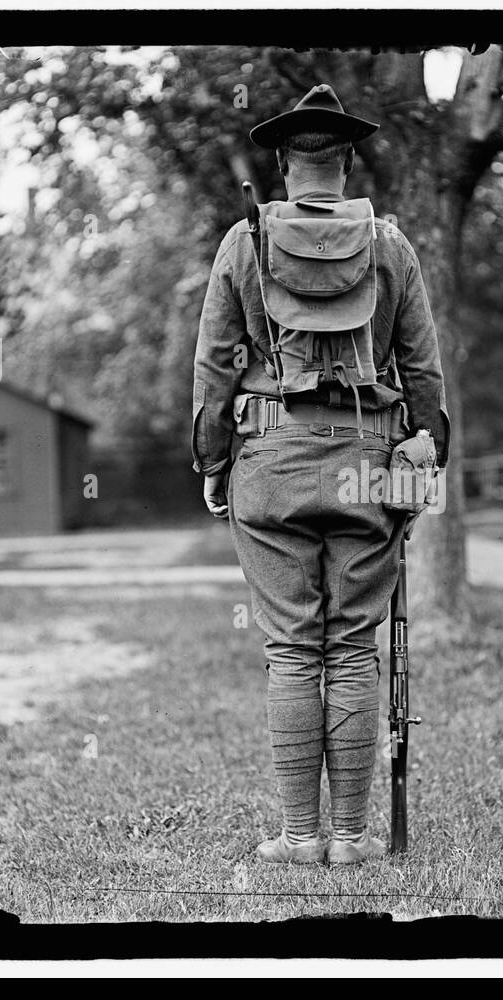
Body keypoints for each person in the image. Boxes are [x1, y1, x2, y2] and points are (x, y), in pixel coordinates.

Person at [191, 85, 449, 865]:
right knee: (352, 648)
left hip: (268, 471)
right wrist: (426, 444)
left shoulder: (245, 241)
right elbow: (425, 375)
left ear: (281, 163)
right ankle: (350, 838)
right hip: (368, 472)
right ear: (347, 162)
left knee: (294, 652)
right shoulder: (392, 245)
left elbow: (213, 367)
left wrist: (211, 461)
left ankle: (300, 836)